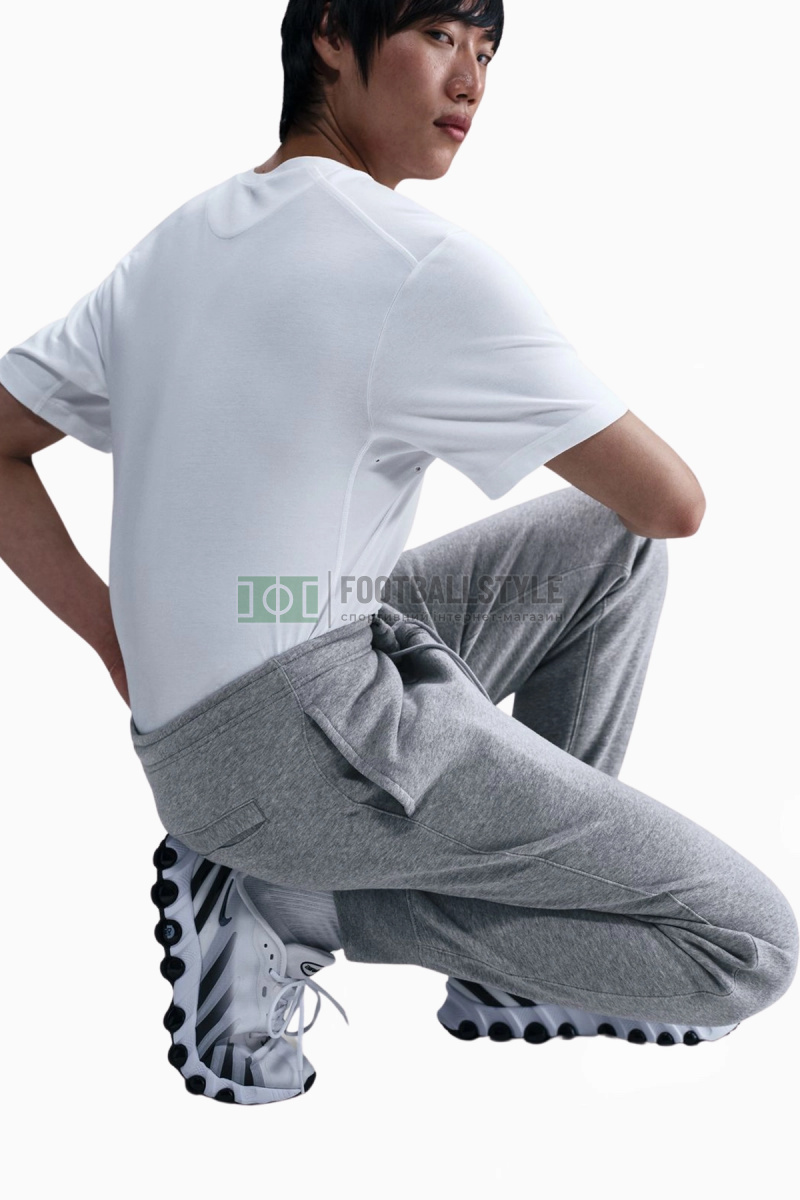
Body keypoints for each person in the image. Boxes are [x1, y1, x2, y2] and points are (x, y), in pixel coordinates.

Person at [1, 0, 797, 1107]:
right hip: (307, 755)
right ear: (332, 34)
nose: (470, 80)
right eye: (438, 35)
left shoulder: (181, 238)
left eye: (486, 50)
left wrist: (113, 635)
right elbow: (673, 501)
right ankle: (290, 903)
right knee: (745, 948)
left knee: (604, 548)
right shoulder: (416, 263)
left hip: (213, 729)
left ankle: (500, 950)